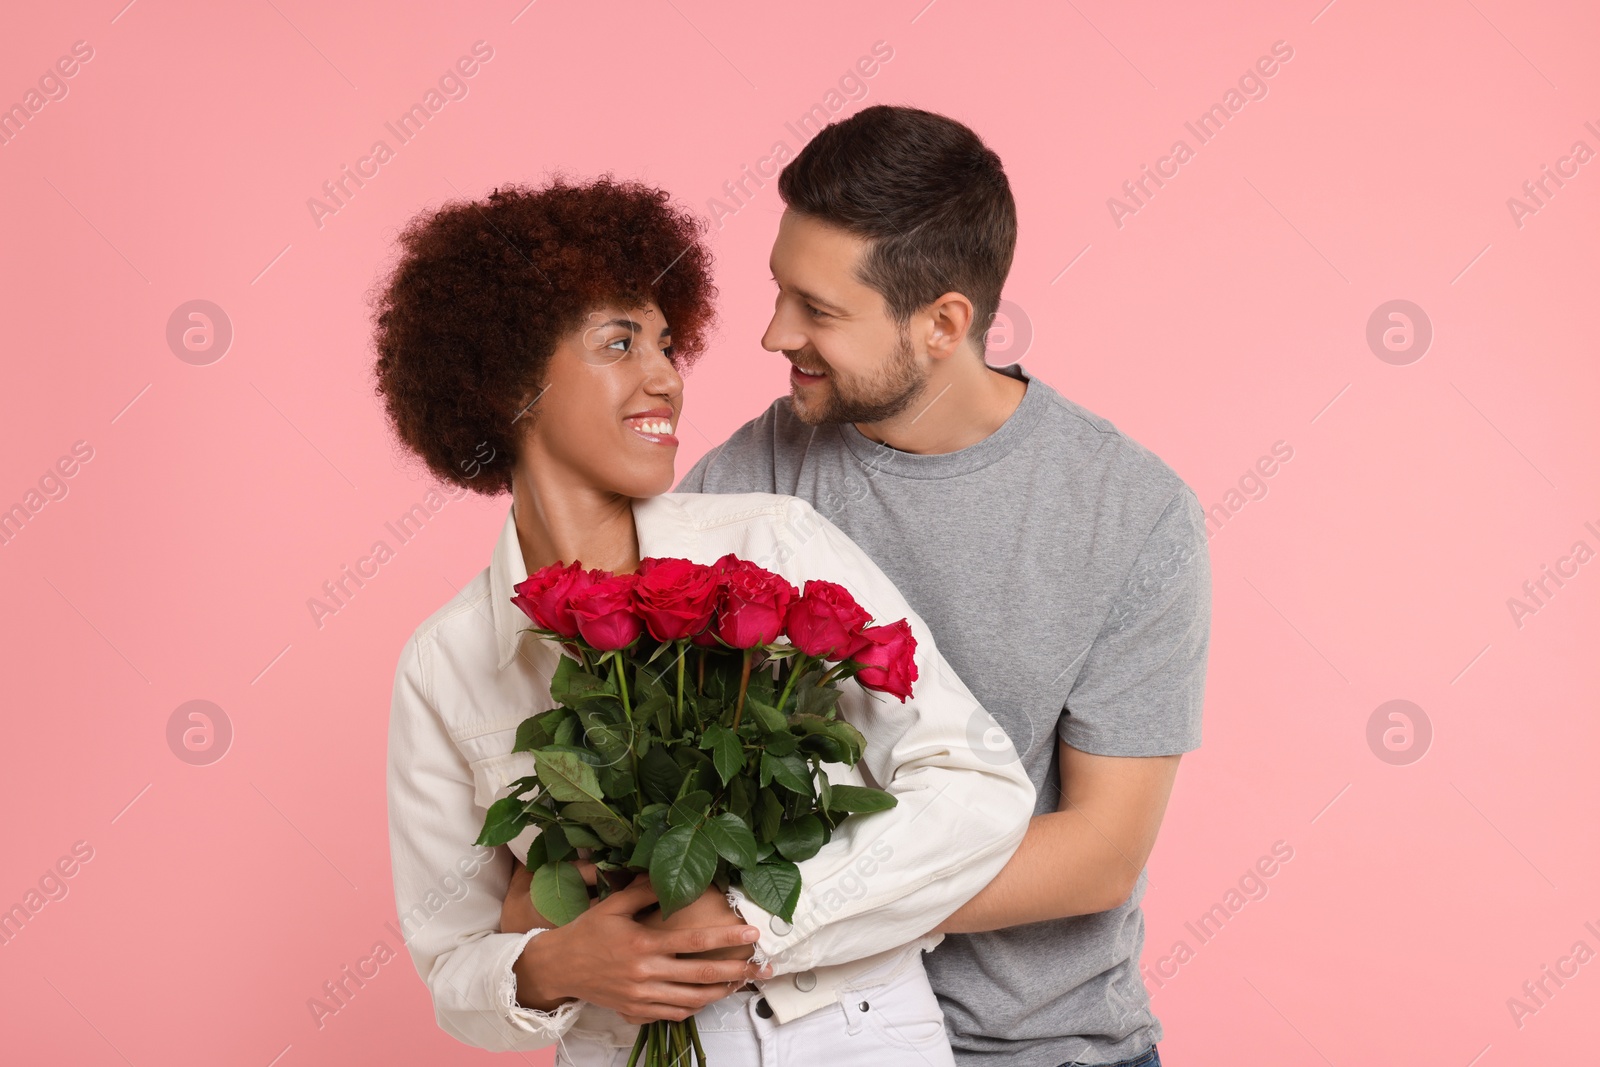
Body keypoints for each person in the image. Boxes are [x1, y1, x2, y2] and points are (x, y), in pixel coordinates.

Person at [374, 175, 1036, 1065]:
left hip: (844, 1035)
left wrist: (747, 921)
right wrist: (556, 963)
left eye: (667, 343)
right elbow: (452, 960)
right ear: (507, 384)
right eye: (620, 342)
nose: (665, 379)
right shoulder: (445, 662)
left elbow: (977, 785)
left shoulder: (770, 542)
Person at [669, 105, 1213, 1067]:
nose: (771, 334)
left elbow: (1100, 850)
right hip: (802, 1043)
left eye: (819, 310)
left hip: (1040, 1048)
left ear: (943, 324)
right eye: (779, 291)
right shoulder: (752, 473)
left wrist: (776, 909)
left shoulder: (1131, 514)